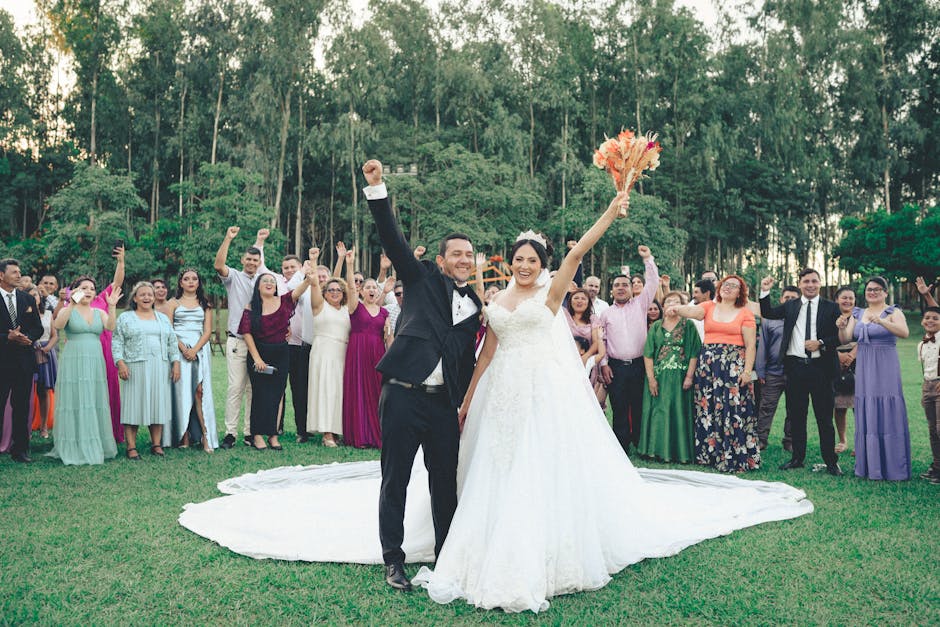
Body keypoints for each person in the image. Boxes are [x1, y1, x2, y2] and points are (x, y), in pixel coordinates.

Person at [179, 191, 815, 615]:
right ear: (501, 263)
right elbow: (481, 353)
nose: (529, 265)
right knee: (430, 476)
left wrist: (613, 212)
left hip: (544, 397)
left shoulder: (544, 292)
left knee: (507, 473)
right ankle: (404, 556)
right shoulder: (485, 301)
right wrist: (470, 397)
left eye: (534, 259)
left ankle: (512, 544)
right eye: (519, 259)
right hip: (453, 396)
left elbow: (578, 253)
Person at [362, 158, 484, 592]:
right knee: (395, 478)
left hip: (442, 405)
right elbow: (394, 242)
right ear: (441, 259)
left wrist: (464, 403)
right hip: (402, 394)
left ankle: (446, 553)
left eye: (470, 255)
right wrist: (378, 189)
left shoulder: (477, 308)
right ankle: (393, 560)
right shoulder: (421, 277)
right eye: (457, 254)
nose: (464, 260)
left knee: (443, 482)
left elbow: (472, 359)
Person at [669, 275, 759, 472]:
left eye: (733, 286)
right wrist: (676, 308)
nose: (728, 288)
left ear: (740, 292)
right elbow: (692, 311)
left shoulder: (745, 313)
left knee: (732, 411)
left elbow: (751, 345)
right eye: (725, 284)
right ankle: (710, 454)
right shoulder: (709, 306)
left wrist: (747, 371)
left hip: (734, 366)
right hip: (709, 366)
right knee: (708, 408)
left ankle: (732, 455)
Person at [759, 270, 842, 476]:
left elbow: (839, 337)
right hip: (795, 368)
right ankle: (797, 458)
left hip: (821, 369)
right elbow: (768, 312)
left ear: (820, 284)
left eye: (814, 281)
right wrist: (764, 291)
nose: (810, 284)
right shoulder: (791, 305)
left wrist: (821, 343)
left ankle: (831, 462)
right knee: (797, 416)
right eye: (806, 281)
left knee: (824, 418)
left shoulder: (831, 308)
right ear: (800, 284)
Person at [837, 276, 910, 481]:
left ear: (885, 292)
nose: (873, 292)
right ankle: (870, 464)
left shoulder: (894, 312)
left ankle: (893, 464)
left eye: (877, 289)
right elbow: (847, 338)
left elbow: (904, 332)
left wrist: (883, 322)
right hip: (865, 364)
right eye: (869, 289)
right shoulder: (858, 313)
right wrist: (842, 325)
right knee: (867, 406)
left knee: (887, 405)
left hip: (885, 363)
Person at [238, 262, 312, 451]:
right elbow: (246, 333)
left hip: (281, 352)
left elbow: (297, 291)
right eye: (265, 281)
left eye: (272, 281)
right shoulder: (251, 306)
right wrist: (257, 359)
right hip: (259, 353)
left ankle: (272, 434)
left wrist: (308, 278)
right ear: (258, 287)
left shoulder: (284, 301)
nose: (270, 283)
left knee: (277, 394)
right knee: (260, 394)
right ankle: (257, 435)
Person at [47, 277, 121, 465]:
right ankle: (73, 444)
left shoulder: (98, 311)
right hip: (74, 359)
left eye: (92, 288)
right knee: (75, 398)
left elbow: (110, 327)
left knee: (94, 398)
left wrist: (111, 307)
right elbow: (58, 325)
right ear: (75, 291)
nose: (88, 291)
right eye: (83, 288)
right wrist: (70, 304)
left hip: (95, 358)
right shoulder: (67, 310)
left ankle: (97, 442)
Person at [598, 249, 660, 453]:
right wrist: (604, 364)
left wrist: (647, 259)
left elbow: (652, 282)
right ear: (611, 291)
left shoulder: (641, 304)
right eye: (617, 286)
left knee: (640, 405)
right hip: (616, 367)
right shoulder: (605, 314)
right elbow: (603, 341)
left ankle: (641, 443)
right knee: (619, 406)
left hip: (639, 364)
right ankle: (621, 447)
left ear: (632, 289)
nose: (621, 288)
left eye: (625, 285)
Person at [214, 226, 269, 449]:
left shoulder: (265, 281)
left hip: (259, 343)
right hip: (237, 341)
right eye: (248, 259)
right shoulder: (234, 277)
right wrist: (228, 237)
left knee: (253, 389)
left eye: (255, 260)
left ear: (259, 262)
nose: (251, 263)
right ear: (242, 259)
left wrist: (260, 242)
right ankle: (230, 433)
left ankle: (249, 432)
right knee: (235, 387)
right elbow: (219, 265)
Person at [112, 282, 181, 459]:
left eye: (149, 294)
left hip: (160, 365)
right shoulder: (126, 318)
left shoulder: (162, 318)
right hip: (134, 366)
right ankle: (131, 447)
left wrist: (176, 363)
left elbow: (172, 342)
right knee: (133, 404)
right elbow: (117, 341)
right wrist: (120, 363)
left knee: (158, 403)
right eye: (142, 294)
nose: (146, 297)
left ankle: (156, 444)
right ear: (135, 298)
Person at [638, 291, 701, 463]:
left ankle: (680, 452)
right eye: (668, 302)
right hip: (659, 378)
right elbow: (648, 354)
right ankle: (654, 450)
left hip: (680, 379)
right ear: (663, 306)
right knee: (659, 412)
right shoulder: (656, 327)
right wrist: (651, 379)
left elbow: (694, 352)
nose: (672, 305)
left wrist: (689, 376)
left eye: (676, 302)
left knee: (678, 412)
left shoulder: (688, 326)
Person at [166, 269, 218, 452]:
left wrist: (195, 349)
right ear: (180, 283)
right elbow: (168, 329)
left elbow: (207, 331)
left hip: (199, 349)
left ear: (198, 282)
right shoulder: (172, 303)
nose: (190, 282)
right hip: (179, 349)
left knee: (199, 391)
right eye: (186, 279)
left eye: (194, 279)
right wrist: (183, 349)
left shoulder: (205, 304)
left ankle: (205, 435)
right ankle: (184, 434)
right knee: (181, 391)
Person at [0, 259, 44, 462]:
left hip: (24, 361)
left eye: (20, 271)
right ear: (1, 275)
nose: (19, 275)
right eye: (14, 272)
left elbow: (38, 327)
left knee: (22, 406)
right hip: (2, 360)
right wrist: (6, 337)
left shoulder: (27, 299)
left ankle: (20, 450)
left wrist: (28, 337)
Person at [306, 250, 352, 447]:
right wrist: (314, 261)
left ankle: (339, 429)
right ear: (325, 293)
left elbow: (352, 286)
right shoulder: (319, 306)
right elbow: (314, 283)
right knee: (325, 389)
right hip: (323, 352)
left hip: (342, 353)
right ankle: (327, 433)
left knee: (339, 392)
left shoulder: (347, 310)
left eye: (338, 290)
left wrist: (348, 262)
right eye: (330, 290)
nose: (334, 292)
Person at [342, 268, 390, 449]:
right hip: (358, 352)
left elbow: (388, 337)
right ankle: (360, 435)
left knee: (377, 391)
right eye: (367, 287)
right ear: (361, 291)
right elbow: (350, 289)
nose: (371, 290)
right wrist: (349, 263)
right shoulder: (356, 307)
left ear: (378, 292)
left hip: (377, 352)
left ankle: (377, 433)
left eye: (374, 288)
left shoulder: (384, 312)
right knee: (359, 390)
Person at [754, 285, 800, 451]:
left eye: (793, 298)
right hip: (773, 371)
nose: (790, 301)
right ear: (781, 300)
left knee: (793, 408)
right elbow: (763, 346)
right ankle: (760, 439)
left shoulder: (802, 320)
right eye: (786, 297)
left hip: (795, 371)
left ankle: (790, 440)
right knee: (766, 407)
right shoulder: (770, 320)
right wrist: (760, 370)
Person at [832, 287, 858, 454]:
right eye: (844, 298)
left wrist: (852, 355)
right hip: (835, 362)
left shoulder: (861, 317)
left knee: (859, 406)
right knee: (839, 405)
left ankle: (860, 441)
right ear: (837, 300)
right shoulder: (829, 317)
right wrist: (839, 356)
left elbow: (865, 338)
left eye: (851, 298)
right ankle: (842, 440)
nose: (847, 301)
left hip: (859, 362)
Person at [917, 306, 940, 484]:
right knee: (932, 430)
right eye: (927, 317)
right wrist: (925, 389)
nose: (930, 321)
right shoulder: (922, 344)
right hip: (927, 386)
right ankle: (937, 467)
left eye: (935, 318)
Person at [32, 285, 59, 439]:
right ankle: (26, 426)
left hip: (46, 352)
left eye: (36, 295)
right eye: (30, 295)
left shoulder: (48, 314)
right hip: (29, 352)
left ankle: (43, 427)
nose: (34, 297)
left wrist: (48, 347)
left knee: (44, 390)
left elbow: (54, 335)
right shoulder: (22, 314)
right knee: (28, 391)